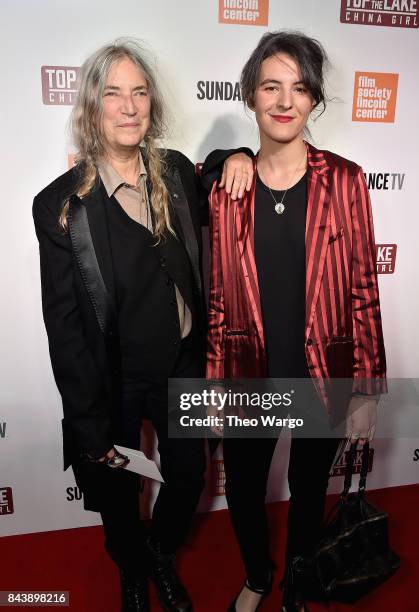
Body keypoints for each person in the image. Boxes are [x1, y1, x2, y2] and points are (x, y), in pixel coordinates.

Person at [33, 39, 251, 612]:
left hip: (182, 366)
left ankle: (159, 553)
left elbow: (223, 173)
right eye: (113, 94)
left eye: (140, 92)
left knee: (187, 478)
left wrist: (240, 153)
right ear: (92, 106)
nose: (129, 107)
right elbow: (64, 327)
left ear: (151, 102)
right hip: (115, 379)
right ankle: (132, 571)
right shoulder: (59, 206)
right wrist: (87, 422)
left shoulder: (175, 172)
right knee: (116, 494)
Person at [204, 31, 386, 612]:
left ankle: (296, 584)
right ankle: (258, 574)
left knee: (309, 492)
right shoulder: (226, 188)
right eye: (271, 86)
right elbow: (217, 298)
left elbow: (363, 287)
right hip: (247, 375)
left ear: (314, 101)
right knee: (246, 494)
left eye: (300, 88)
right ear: (251, 97)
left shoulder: (348, 180)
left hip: (322, 373)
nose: (285, 101)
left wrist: (366, 391)